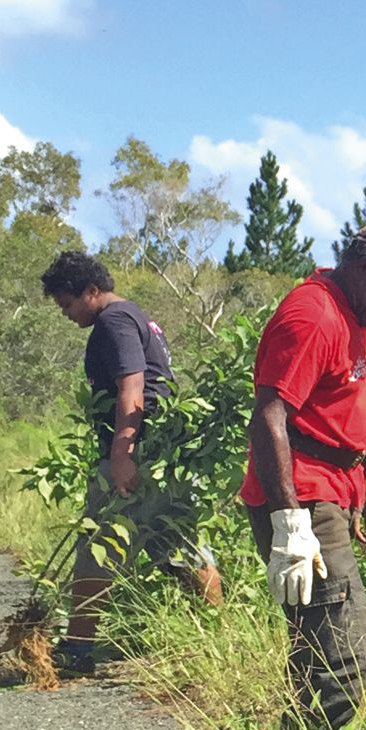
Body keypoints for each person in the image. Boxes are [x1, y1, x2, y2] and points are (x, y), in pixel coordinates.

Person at [240, 217, 366, 730]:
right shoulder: (313, 315)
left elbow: (335, 395)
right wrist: (291, 521)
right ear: (360, 267)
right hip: (304, 494)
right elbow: (270, 415)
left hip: (331, 490)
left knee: (317, 650)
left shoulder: (355, 317)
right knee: (346, 660)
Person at [40, 248, 223, 676]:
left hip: (138, 451)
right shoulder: (135, 316)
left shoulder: (114, 321)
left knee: (98, 546)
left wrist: (122, 452)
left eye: (67, 304)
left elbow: (132, 386)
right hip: (163, 452)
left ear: (91, 290)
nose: (65, 314)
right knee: (177, 544)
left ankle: (78, 650)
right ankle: (218, 637)